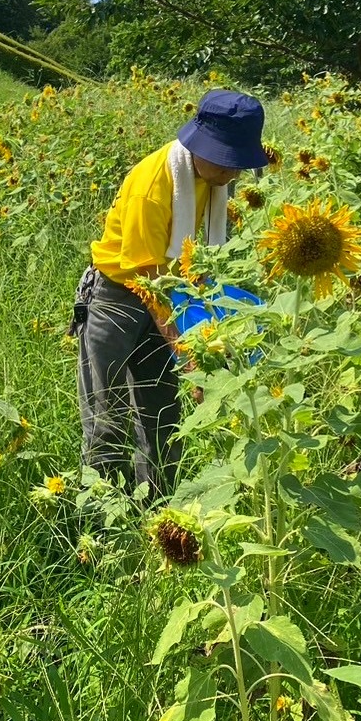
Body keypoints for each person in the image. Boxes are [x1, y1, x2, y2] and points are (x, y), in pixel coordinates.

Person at [72, 89, 267, 499]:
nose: (232, 175)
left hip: (173, 295)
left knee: (162, 416)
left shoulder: (213, 181)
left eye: (239, 163)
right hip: (120, 297)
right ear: (199, 144)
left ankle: (160, 514)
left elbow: (192, 270)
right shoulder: (153, 185)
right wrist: (193, 357)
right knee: (107, 418)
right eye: (226, 161)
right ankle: (102, 526)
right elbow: (149, 280)